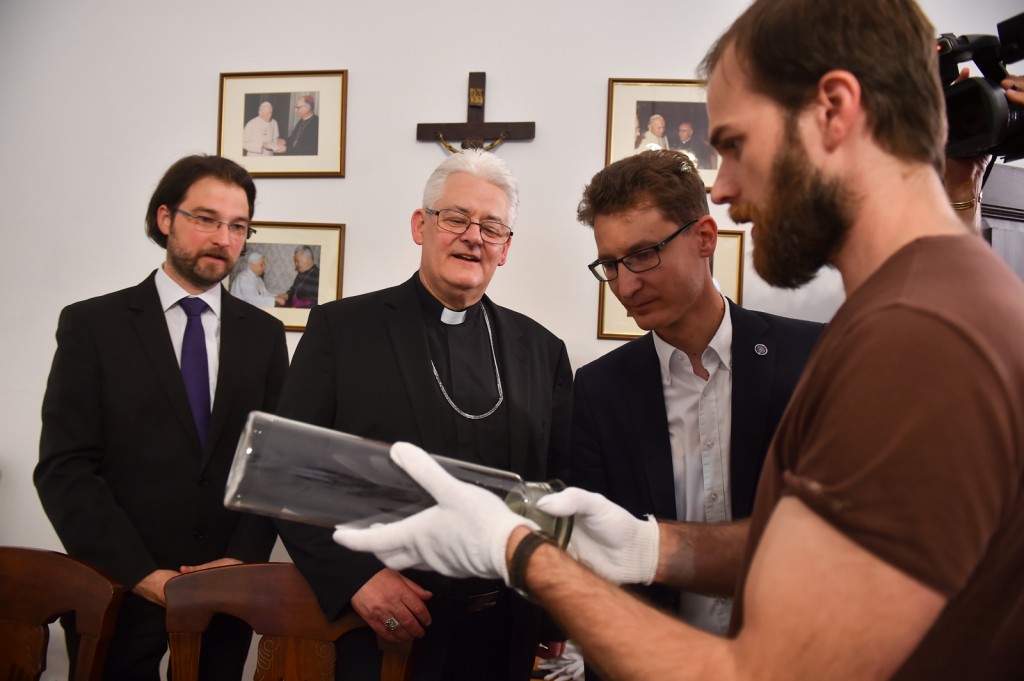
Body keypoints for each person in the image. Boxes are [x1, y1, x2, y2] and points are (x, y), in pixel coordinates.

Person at [331, 1, 1024, 679]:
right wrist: (651, 547)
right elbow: (815, 551)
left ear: (834, 111)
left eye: (734, 145)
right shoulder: (930, 297)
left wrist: (518, 551)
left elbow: (761, 669)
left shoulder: (918, 335)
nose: (722, 189)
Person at [275, 148, 572, 681]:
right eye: (456, 217)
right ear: (421, 225)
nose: (473, 236)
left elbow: (556, 485)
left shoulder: (541, 351)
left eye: (491, 227)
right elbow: (287, 470)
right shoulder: (343, 332)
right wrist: (356, 578)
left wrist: (551, 605)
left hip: (503, 631)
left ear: (505, 248)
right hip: (384, 627)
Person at [34, 154, 289, 680]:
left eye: (237, 226)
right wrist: (140, 574)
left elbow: (272, 463)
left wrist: (240, 560)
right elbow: (65, 468)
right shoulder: (93, 325)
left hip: (223, 591)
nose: (223, 238)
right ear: (165, 217)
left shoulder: (264, 335)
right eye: (206, 219)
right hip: (116, 587)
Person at [573, 150, 822, 639]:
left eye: (643, 254)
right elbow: (595, 554)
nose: (626, 285)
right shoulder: (598, 390)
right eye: (610, 264)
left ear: (705, 238)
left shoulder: (811, 357)